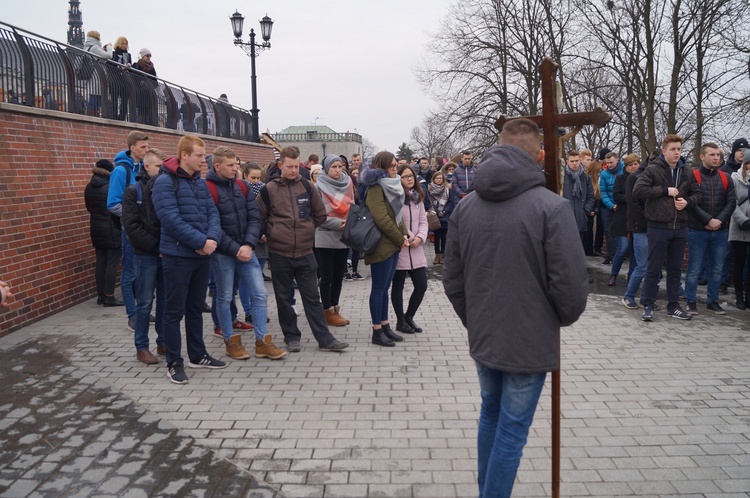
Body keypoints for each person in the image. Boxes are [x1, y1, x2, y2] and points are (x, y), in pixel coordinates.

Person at [443, 118, 588, 498]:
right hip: (530, 339)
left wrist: (474, 319)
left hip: (486, 335)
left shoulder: (466, 207)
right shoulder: (553, 209)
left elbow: (452, 280)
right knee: (510, 430)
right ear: (539, 156)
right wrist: (556, 318)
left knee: (491, 415)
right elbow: (570, 287)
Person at [257, 146, 349, 353]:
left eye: (297, 166)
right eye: (289, 166)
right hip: (279, 254)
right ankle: (291, 337)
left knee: (312, 298)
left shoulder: (308, 187)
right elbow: (260, 219)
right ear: (281, 165)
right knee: (283, 299)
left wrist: (306, 230)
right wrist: (271, 233)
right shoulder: (268, 190)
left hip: (306, 253)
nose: (293, 170)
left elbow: (320, 215)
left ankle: (325, 339)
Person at [152, 135, 226, 384]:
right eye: (198, 156)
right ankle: (174, 362)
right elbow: (170, 220)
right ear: (184, 155)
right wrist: (200, 242)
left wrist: (211, 240)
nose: (203, 161)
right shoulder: (164, 182)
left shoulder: (199, 182)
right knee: (173, 311)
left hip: (202, 255)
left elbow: (212, 212)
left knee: (196, 308)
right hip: (177, 257)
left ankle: (197, 354)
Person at [206, 147, 287, 361]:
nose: (236, 168)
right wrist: (236, 248)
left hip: (246, 249)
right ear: (217, 166)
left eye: (237, 164)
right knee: (224, 296)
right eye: (231, 165)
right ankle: (230, 341)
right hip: (224, 253)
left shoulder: (242, 186)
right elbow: (212, 225)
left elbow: (254, 217)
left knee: (259, 293)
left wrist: (249, 245)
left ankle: (262, 341)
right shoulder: (207, 189)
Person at [633, 134, 701, 321]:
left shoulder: (687, 171)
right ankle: (648, 304)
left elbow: (698, 194)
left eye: (679, 149)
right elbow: (638, 190)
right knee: (653, 268)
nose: (677, 152)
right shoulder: (653, 170)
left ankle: (674, 306)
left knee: (675, 270)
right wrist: (664, 191)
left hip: (680, 227)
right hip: (658, 226)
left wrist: (687, 202)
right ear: (664, 151)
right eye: (673, 149)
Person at [359, 151, 409, 347]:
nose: (395, 169)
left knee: (385, 288)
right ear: (382, 167)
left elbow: (398, 215)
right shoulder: (375, 188)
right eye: (392, 166)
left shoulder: (393, 185)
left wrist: (404, 234)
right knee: (378, 289)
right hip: (380, 244)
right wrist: (399, 238)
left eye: (396, 165)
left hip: (394, 243)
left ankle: (386, 325)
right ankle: (376, 330)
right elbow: (382, 219)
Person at [121, 148, 166, 364]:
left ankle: (163, 341)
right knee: (145, 302)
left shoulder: (165, 188)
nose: (162, 170)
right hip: (146, 254)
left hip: (165, 253)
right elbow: (132, 227)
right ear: (146, 166)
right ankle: (142, 347)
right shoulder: (133, 191)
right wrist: (156, 246)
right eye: (159, 166)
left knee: (165, 301)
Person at [684, 143, 736, 315]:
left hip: (720, 230)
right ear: (702, 157)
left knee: (717, 267)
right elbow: (689, 203)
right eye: (712, 154)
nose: (716, 158)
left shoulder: (725, 177)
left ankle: (712, 300)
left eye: (718, 155)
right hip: (698, 229)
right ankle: (690, 301)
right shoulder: (693, 176)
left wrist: (719, 220)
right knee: (694, 268)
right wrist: (708, 220)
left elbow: (731, 202)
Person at [107, 130, 149, 331]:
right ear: (132, 148)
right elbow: (113, 204)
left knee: (142, 273)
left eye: (147, 146)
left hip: (144, 231)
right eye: (143, 147)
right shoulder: (121, 171)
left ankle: (143, 311)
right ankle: (132, 315)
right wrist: (135, 216)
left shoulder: (142, 169)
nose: (146, 150)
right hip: (130, 231)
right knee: (130, 273)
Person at [315, 154, 355, 327]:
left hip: (344, 237)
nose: (338, 170)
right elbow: (317, 215)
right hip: (325, 236)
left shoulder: (348, 184)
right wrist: (339, 223)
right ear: (326, 168)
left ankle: (335, 309)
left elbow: (353, 207)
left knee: (339, 275)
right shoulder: (318, 187)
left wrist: (350, 223)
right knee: (327, 276)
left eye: (340, 166)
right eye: (334, 167)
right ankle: (326, 310)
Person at [391, 165, 429, 334]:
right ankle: (400, 320)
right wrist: (411, 236)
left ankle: (409, 317)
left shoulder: (418, 198)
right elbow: (398, 222)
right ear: (399, 179)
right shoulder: (395, 198)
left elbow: (423, 221)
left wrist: (420, 237)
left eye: (411, 175)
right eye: (405, 176)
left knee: (421, 285)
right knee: (398, 286)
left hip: (416, 247)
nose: (409, 179)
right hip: (401, 246)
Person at [84, 159, 122, 307]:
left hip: (96, 228)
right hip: (112, 228)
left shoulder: (89, 187)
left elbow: (89, 207)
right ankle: (109, 296)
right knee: (112, 264)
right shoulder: (110, 186)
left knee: (101, 262)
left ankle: (100, 295)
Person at [622, 155, 651, 309]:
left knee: (653, 267)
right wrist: (645, 222)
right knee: (642, 265)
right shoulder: (633, 178)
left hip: (656, 227)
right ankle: (629, 295)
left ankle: (648, 297)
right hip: (641, 227)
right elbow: (633, 204)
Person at [608, 154, 640, 286]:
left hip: (637, 219)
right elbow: (616, 195)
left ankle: (631, 276)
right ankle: (613, 274)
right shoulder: (620, 179)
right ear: (626, 166)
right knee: (622, 248)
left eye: (636, 164)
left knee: (635, 251)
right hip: (622, 219)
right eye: (631, 164)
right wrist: (631, 199)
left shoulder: (642, 178)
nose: (634, 167)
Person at [562, 150, 595, 252]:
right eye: (572, 161)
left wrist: (586, 210)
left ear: (580, 161)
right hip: (564, 217)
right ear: (567, 161)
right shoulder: (562, 177)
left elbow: (591, 196)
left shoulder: (586, 177)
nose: (575, 163)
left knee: (577, 250)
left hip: (581, 217)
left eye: (576, 161)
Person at [729, 150, 750, 309]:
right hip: (739, 225)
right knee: (739, 262)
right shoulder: (735, 179)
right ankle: (739, 297)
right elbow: (732, 202)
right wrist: (743, 220)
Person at [426, 170, 457, 265]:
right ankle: (437, 254)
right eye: (437, 178)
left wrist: (444, 211)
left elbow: (451, 202)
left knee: (444, 236)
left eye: (440, 178)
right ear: (433, 179)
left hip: (445, 215)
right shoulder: (429, 190)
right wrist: (436, 211)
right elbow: (428, 202)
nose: (439, 180)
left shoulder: (448, 190)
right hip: (434, 215)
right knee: (436, 236)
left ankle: (442, 254)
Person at [599, 151, 624, 265]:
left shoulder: (624, 170)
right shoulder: (604, 174)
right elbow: (603, 192)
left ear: (617, 160)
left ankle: (621, 254)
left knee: (622, 232)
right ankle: (610, 255)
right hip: (610, 206)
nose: (609, 165)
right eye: (607, 163)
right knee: (608, 231)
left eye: (611, 162)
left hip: (623, 205)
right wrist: (611, 205)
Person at [584, 158, 603, 256]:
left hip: (592, 210)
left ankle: (589, 249)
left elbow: (597, 198)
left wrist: (595, 210)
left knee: (590, 230)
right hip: (586, 209)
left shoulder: (596, 182)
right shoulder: (586, 180)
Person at [133, 48, 157, 126]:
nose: (149, 57)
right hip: (140, 92)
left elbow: (155, 81)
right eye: (147, 56)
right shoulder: (136, 65)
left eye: (150, 56)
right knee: (141, 109)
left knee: (149, 109)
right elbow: (134, 78)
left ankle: (148, 123)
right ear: (143, 56)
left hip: (149, 93)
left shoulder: (152, 68)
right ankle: (141, 123)